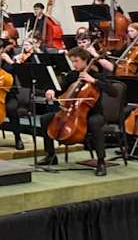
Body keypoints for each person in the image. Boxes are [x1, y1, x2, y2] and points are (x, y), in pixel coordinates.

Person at [39, 46, 119, 175]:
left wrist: (94, 81)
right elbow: (60, 89)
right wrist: (51, 90)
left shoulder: (96, 75)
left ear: (85, 60)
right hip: (72, 111)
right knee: (45, 119)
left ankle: (101, 162)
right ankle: (50, 155)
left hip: (94, 113)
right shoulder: (72, 75)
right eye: (72, 61)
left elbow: (113, 91)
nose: (74, 64)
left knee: (94, 124)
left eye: (76, 61)